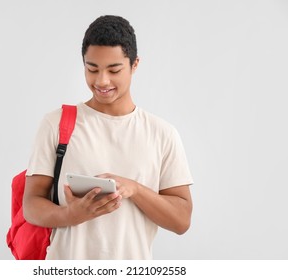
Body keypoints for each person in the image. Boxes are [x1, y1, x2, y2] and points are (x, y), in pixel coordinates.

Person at [23, 15, 193, 260]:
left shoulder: (162, 134)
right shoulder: (57, 123)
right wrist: (71, 215)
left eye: (114, 70)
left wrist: (133, 189)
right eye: (92, 69)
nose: (101, 81)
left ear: (135, 64)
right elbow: (31, 205)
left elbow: (181, 220)